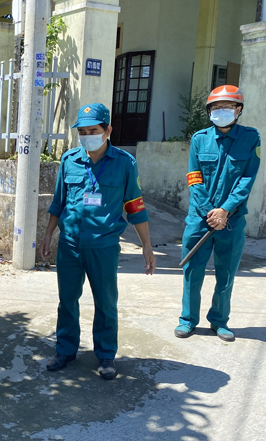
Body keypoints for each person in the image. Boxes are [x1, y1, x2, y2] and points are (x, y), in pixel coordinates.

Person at [39, 103, 156, 380]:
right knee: (67, 300)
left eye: (93, 130)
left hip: (103, 247)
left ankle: (105, 354)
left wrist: (147, 246)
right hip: (70, 245)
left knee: (105, 302)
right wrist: (48, 234)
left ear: (108, 130)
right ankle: (65, 349)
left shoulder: (125, 164)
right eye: (83, 131)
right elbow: (58, 203)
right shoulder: (69, 160)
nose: (87, 135)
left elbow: (136, 207)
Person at [174, 85, 261, 343]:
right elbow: (194, 177)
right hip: (200, 219)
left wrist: (225, 210)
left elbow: (247, 178)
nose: (220, 111)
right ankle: (188, 320)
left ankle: (219, 321)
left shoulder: (251, 138)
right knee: (193, 271)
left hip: (231, 221)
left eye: (226, 107)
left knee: (226, 273)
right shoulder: (200, 139)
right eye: (215, 107)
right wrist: (210, 212)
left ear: (239, 110)